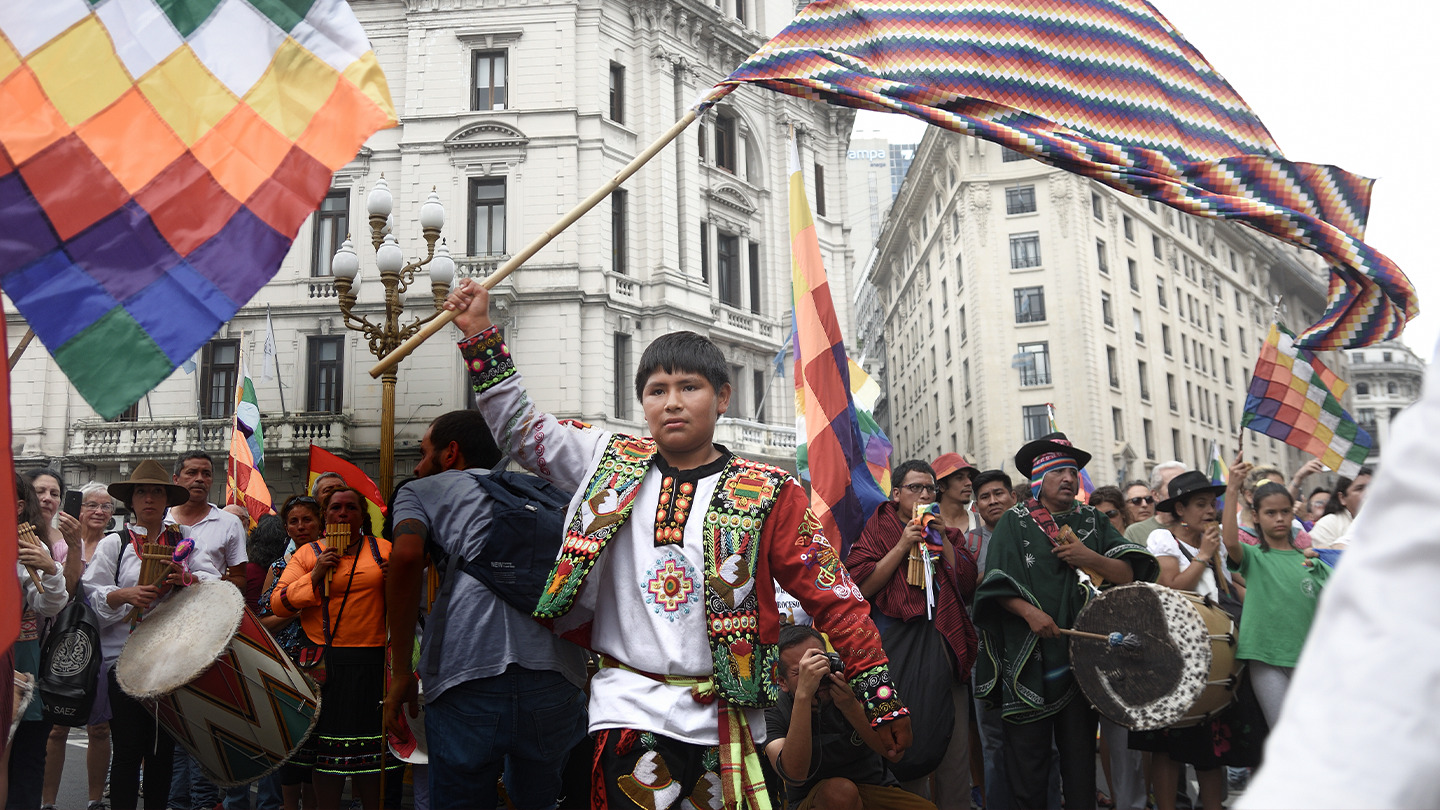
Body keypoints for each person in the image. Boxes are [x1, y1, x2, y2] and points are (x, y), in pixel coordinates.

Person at [444, 278, 910, 806]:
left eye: (690, 387)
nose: (672, 402)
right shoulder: (607, 460)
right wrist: (480, 333)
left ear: (722, 397)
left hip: (727, 717)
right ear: (641, 402)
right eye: (657, 390)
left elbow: (835, 599)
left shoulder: (767, 492)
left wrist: (881, 698)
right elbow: (521, 431)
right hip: (628, 706)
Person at [384, 410, 589, 810]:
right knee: (539, 800)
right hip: (557, 675)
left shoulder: (422, 490)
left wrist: (402, 673)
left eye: (424, 453)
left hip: (464, 675)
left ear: (450, 453)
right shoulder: (546, 492)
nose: (420, 464)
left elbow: (406, 558)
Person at [974, 433, 1158, 810]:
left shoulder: (1092, 519)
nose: (1069, 478)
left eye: (1073, 471)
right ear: (1041, 478)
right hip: (1028, 660)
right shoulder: (1014, 521)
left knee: (1079, 768)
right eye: (1059, 470)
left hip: (1082, 661)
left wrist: (1087, 555)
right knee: (1028, 768)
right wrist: (1030, 612)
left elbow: (1127, 573)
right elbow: (992, 588)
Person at [845, 461, 976, 807]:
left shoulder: (944, 531)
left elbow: (965, 584)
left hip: (945, 650)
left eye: (930, 489)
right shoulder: (878, 529)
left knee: (954, 755)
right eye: (916, 488)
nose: (924, 495)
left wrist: (942, 540)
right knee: (908, 751)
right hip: (898, 657)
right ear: (897, 494)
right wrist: (904, 544)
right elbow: (861, 586)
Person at [82, 460, 211, 810]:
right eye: (142, 492)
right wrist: (124, 595)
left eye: (156, 491)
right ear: (132, 500)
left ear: (167, 498)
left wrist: (187, 580)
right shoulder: (116, 542)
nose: (149, 498)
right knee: (128, 748)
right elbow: (92, 591)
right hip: (122, 659)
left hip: (169, 659)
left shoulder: (184, 542)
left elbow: (211, 582)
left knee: (162, 749)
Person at [1132, 471, 1260, 810]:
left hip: (1216, 655)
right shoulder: (1164, 540)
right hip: (1177, 652)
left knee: (1211, 744)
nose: (1209, 510)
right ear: (1180, 508)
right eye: (1200, 504)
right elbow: (1171, 586)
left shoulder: (1213, 540)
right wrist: (1203, 554)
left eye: (1212, 504)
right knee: (1168, 745)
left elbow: (1233, 588)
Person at [271, 488, 394, 810]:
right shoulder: (308, 554)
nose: (342, 514)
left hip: (373, 661)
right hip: (325, 665)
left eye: (350, 508)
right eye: (335, 508)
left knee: (370, 756)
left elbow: (411, 602)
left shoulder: (383, 550)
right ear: (325, 516)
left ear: (362, 516)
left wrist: (394, 580)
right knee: (325, 756)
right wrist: (316, 574)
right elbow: (278, 604)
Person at [763, 625, 936, 810]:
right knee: (840, 794)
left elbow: (894, 753)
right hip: (816, 800)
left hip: (873, 788)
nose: (816, 675)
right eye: (802, 671)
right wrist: (803, 697)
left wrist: (851, 706)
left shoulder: (857, 686)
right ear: (782, 681)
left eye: (819, 662)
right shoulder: (774, 708)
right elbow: (794, 776)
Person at [1221, 459, 1330, 730]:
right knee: (1284, 735)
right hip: (1266, 659)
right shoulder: (1254, 557)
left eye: (1284, 512)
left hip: (1308, 660)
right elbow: (1230, 541)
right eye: (1270, 513)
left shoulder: (1312, 561)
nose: (1279, 518)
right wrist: (1232, 489)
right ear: (1255, 516)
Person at [40, 484, 119, 810]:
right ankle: (47, 802)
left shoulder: (118, 546)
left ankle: (94, 800)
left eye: (107, 506)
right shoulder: (60, 546)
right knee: (57, 726)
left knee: (99, 728)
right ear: (78, 508)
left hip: (104, 645)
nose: (100, 512)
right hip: (64, 644)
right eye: (92, 505)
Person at [7, 473, 69, 810]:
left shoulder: (33, 545)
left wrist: (51, 569)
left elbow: (49, 605)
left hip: (19, 653)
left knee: (26, 752)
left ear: (18, 507)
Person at [258, 495, 323, 810]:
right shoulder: (278, 567)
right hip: (288, 665)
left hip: (325, 664)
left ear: (320, 522)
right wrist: (297, 609)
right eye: (294, 521)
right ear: (286, 527)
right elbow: (264, 623)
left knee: (318, 748)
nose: (301, 527)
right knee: (291, 743)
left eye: (307, 519)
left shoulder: (332, 561)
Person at [962, 469, 1019, 810]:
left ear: (1013, 497)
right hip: (985, 655)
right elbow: (961, 591)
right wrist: (990, 575)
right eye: (985, 497)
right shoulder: (968, 544)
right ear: (977, 506)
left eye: (999, 493)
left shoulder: (1039, 536)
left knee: (1043, 739)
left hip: (1034, 650)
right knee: (993, 741)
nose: (993, 501)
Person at [21, 468, 84, 595]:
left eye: (54, 494)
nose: (47, 498)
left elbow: (68, 591)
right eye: (40, 491)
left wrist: (74, 546)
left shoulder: (69, 541)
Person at [1235, 465, 1312, 550]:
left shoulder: (1297, 532)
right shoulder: (1238, 535)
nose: (1278, 494)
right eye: (1271, 513)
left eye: (1282, 488)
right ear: (1249, 496)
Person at [1123, 461, 1186, 546]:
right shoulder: (1135, 532)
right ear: (1156, 495)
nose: (1144, 504)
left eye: (1148, 499)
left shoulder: (1199, 524)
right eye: (1136, 500)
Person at [1308, 467, 1372, 549]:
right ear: (1342, 498)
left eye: (1373, 487)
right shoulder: (1328, 525)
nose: (1369, 493)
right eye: (1359, 489)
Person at [931, 452, 979, 532]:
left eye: (969, 477)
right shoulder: (928, 525)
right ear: (941, 486)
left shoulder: (982, 522)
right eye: (959, 478)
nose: (969, 483)